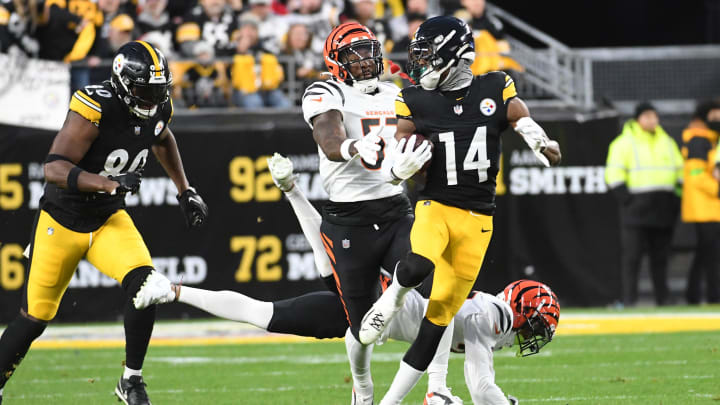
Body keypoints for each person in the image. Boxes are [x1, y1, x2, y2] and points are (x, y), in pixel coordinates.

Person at [357, 16, 562, 405]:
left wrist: (536, 137)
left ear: (452, 53)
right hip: (436, 203)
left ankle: (390, 403)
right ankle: (390, 301)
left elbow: (517, 112)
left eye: (426, 54)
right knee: (419, 263)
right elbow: (399, 143)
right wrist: (398, 169)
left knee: (436, 324)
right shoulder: (413, 98)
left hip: (479, 219)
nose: (419, 64)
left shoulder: (495, 85)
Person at [0, 41, 209, 405]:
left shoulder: (158, 108)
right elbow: (54, 168)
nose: (152, 99)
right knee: (34, 317)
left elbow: (162, 137)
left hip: (108, 218)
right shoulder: (95, 105)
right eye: (145, 91)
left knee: (148, 288)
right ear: (123, 84)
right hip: (61, 221)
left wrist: (184, 190)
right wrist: (109, 183)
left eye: (159, 91)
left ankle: (131, 381)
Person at [299, 22, 432, 405]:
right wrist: (355, 146)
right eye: (353, 54)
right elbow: (329, 139)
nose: (364, 60)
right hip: (348, 219)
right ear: (336, 62)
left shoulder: (396, 93)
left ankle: (438, 388)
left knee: (430, 278)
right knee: (361, 328)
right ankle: (363, 388)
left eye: (368, 51)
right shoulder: (324, 90)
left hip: (394, 208)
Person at [605, 102, 683, 306]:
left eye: (654, 116)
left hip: (663, 207)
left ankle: (663, 299)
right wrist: (628, 201)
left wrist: (675, 198)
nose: (652, 120)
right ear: (637, 119)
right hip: (637, 209)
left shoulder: (667, 141)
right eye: (647, 116)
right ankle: (629, 300)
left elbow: (680, 172)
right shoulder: (623, 143)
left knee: (661, 258)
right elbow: (613, 174)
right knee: (632, 258)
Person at [681, 100, 720, 304]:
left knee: (705, 253)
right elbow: (696, 175)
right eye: (714, 116)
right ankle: (711, 296)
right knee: (709, 254)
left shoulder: (712, 140)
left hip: (712, 207)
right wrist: (717, 189)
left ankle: (694, 295)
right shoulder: (698, 141)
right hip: (704, 207)